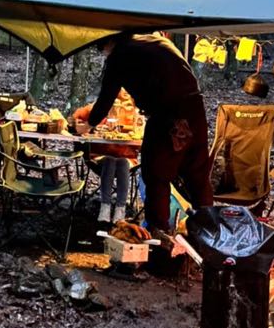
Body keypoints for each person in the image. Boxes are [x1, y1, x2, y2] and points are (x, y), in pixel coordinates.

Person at [84, 32, 213, 241]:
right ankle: (209, 235)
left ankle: (159, 236)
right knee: (197, 174)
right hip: (195, 110)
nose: (104, 54)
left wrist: (88, 124)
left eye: (102, 50)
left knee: (156, 174)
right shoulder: (155, 40)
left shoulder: (120, 55)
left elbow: (106, 98)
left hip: (168, 115)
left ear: (107, 43)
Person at [72, 89, 140, 225]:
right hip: (100, 156)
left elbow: (141, 136)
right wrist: (86, 127)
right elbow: (76, 118)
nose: (126, 91)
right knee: (110, 160)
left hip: (127, 157)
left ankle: (120, 209)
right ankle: (105, 206)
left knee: (122, 162)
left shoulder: (136, 112)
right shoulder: (100, 107)